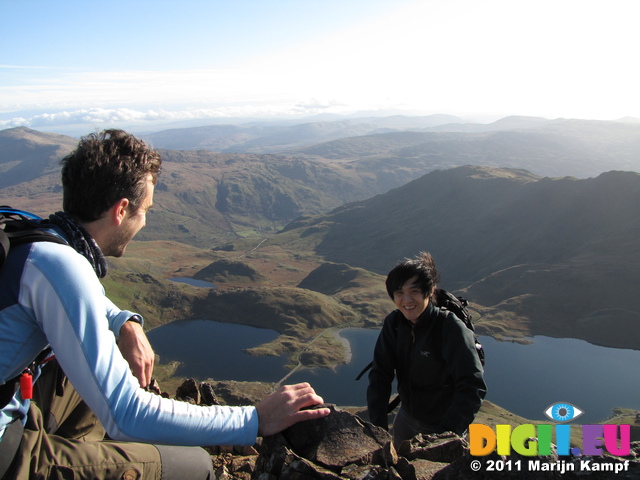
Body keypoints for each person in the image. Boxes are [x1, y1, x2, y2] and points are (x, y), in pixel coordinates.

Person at [0, 129, 330, 480]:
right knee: (194, 467)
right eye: (145, 211)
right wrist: (255, 419)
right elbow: (127, 414)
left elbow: (78, 302)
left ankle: (83, 456)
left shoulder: (31, 232)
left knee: (103, 369)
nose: (145, 221)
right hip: (6, 444)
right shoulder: (61, 265)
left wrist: (124, 322)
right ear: (121, 210)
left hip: (13, 404)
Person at [366, 252, 486, 446]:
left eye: (414, 291)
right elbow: (380, 375)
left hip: (443, 424)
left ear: (430, 291)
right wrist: (377, 429)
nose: (407, 300)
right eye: (399, 293)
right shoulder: (394, 324)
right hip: (406, 419)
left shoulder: (449, 327)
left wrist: (444, 436)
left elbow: (472, 385)